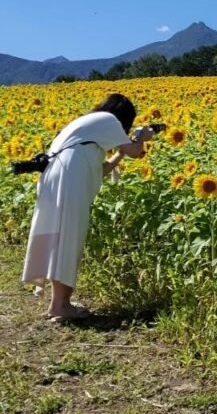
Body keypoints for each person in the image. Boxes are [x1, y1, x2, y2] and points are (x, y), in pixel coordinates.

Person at [21, 93, 155, 322]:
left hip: (55, 175)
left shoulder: (86, 124)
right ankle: (62, 305)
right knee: (70, 236)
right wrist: (143, 137)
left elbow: (100, 169)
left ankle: (57, 304)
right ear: (124, 117)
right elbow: (136, 153)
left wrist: (120, 152)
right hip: (69, 178)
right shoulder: (109, 120)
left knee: (58, 236)